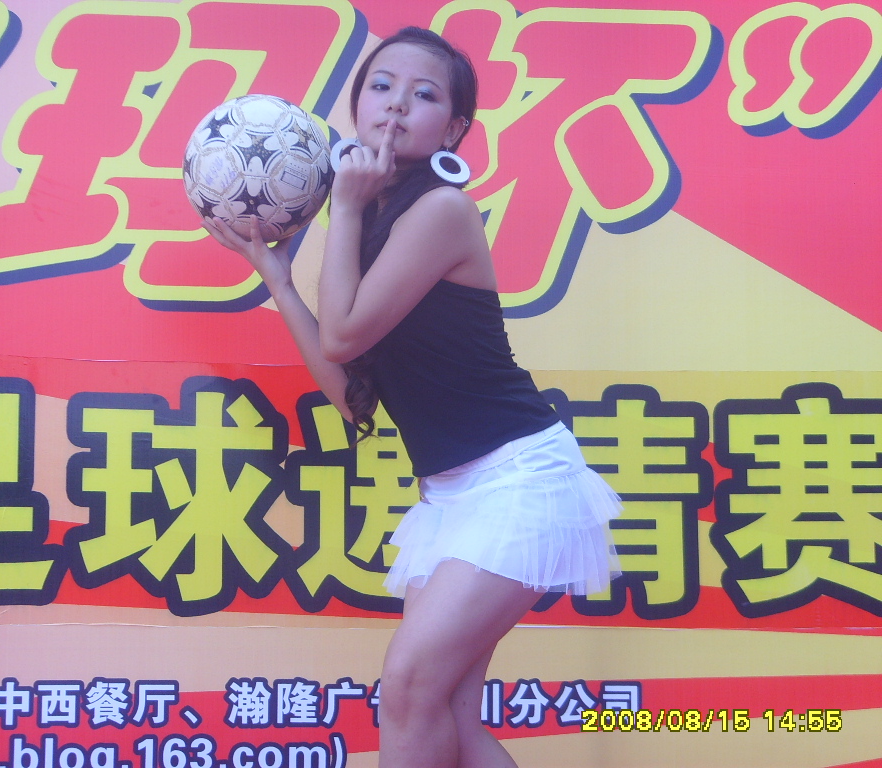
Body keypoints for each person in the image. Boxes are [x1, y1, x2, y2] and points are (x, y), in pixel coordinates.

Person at [201, 26, 621, 768]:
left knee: (408, 688)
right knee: (447, 711)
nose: (396, 105)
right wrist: (279, 281)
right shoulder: (367, 220)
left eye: (423, 96)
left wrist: (346, 210)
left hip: (518, 481)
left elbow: (342, 335)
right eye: (381, 86)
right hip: (451, 496)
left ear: (453, 130)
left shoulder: (441, 211)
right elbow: (351, 395)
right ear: (356, 104)